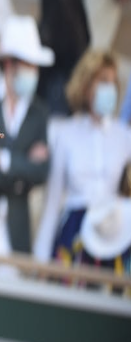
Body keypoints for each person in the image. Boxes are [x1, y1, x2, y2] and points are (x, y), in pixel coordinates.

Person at [33, 50, 131, 271]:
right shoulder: (66, 134)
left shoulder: (124, 136)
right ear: (86, 87)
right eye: (103, 81)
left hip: (114, 232)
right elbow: (53, 201)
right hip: (75, 233)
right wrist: (40, 263)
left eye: (113, 83)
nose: (109, 88)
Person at [0, 15, 52, 256]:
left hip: (16, 237)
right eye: (28, 65)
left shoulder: (39, 112)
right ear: (9, 64)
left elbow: (42, 172)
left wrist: (2, 160)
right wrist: (21, 166)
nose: (34, 73)